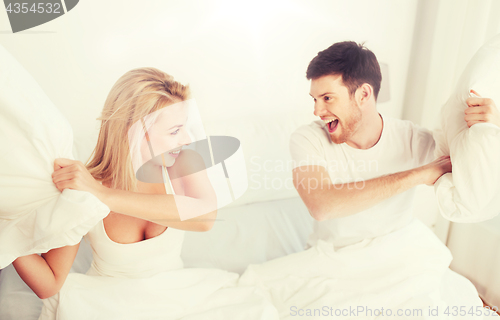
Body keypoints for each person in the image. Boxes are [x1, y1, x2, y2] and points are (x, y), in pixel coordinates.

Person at [238, 41, 500, 319]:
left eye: (327, 98)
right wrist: (418, 175)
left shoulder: (413, 139)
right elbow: (321, 205)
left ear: (363, 94)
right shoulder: (307, 139)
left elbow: (473, 179)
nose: (317, 110)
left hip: (400, 256)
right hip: (335, 262)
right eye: (314, 99)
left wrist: (490, 130)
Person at [13, 67, 278, 320]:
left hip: (177, 295)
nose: (187, 138)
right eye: (175, 130)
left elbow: (204, 218)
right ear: (136, 132)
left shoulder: (183, 161)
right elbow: (49, 283)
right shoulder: (84, 188)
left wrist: (101, 195)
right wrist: (8, 231)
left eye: (185, 126)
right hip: (110, 303)